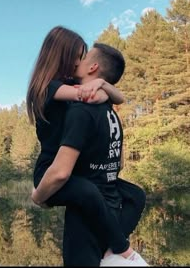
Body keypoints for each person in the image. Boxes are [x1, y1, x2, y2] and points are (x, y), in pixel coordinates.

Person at [31, 42, 149, 266]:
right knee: (130, 195)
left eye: (83, 58)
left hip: (87, 214)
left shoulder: (83, 110)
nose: (77, 61)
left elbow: (61, 173)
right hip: (109, 205)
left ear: (93, 67)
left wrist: (38, 197)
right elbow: (119, 162)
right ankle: (117, 248)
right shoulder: (107, 111)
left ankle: (120, 250)